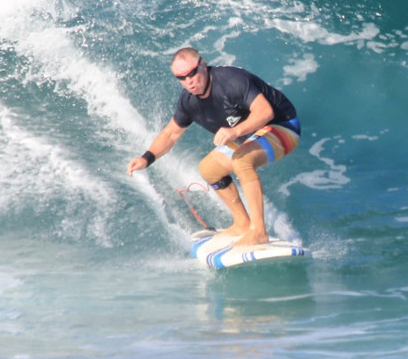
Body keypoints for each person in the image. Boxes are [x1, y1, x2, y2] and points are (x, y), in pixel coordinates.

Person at [127, 47, 301, 248]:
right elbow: (170, 133)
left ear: (202, 64)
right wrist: (146, 158)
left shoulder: (231, 81)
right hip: (250, 133)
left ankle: (259, 231)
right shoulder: (188, 101)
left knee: (242, 159)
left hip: (282, 126)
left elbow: (265, 111)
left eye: (192, 73)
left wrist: (234, 132)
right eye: (181, 78)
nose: (189, 81)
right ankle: (243, 224)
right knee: (209, 169)